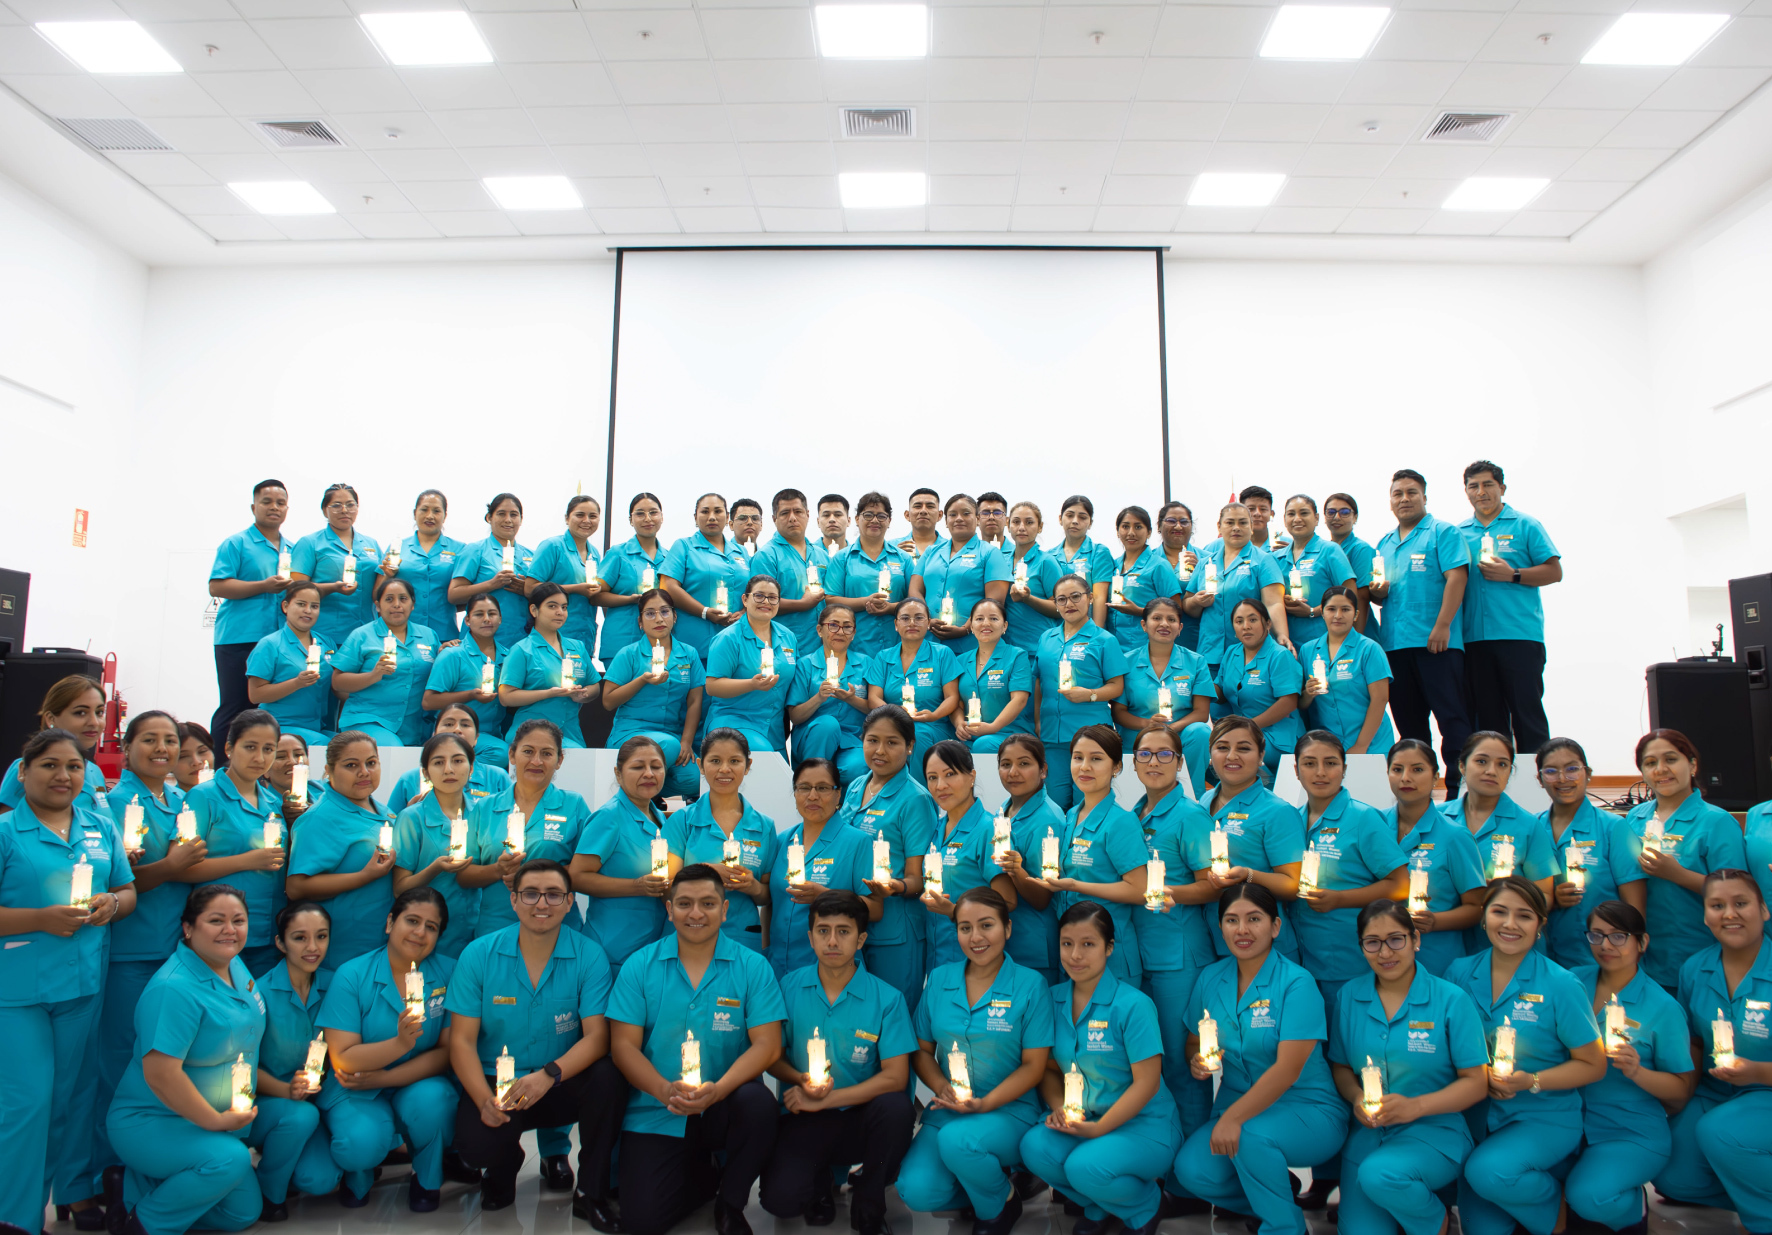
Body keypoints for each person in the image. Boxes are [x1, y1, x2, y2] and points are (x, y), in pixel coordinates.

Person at [0, 729, 134, 1232]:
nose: (63, 776)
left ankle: (75, 1191)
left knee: (75, 1095)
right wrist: (38, 919)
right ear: (23, 772)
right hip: (19, 991)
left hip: (82, 983)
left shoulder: (100, 827)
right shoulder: (8, 833)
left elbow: (126, 890)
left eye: (74, 767)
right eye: (50, 766)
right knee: (29, 1102)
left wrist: (112, 905)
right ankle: (15, 1215)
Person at [607, 864, 787, 1235]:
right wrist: (662, 1089)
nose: (696, 913)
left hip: (725, 1102)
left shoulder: (753, 967)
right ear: (668, 909)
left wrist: (719, 1090)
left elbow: (768, 1046)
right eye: (685, 903)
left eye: (707, 903)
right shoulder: (639, 966)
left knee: (760, 1105)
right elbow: (623, 1046)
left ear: (724, 910)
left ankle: (731, 1201)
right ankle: (705, 1174)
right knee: (642, 1222)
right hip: (657, 1106)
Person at [447, 858, 629, 1222]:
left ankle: (589, 1192)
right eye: (530, 894)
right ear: (513, 900)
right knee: (477, 1147)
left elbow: (597, 1038)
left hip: (558, 1080)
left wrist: (549, 1074)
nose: (541, 904)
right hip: (497, 1084)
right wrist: (484, 1100)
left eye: (553, 895)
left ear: (569, 901)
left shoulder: (588, 955)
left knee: (610, 1078)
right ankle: (504, 1162)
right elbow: (461, 1042)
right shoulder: (479, 955)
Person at [1172, 882, 1348, 1235]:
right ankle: (1274, 1195)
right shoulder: (1211, 977)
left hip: (1307, 1109)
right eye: (1231, 920)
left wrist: (1233, 1119)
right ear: (1220, 926)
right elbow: (1194, 1042)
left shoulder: (1297, 983)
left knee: (1249, 1136)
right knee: (1192, 1170)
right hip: (1238, 1104)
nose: (1242, 930)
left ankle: (1284, 1226)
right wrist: (1197, 1062)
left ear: (1275, 926)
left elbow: (1287, 1070)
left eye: (1254, 919)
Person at [1444, 877, 1606, 1235]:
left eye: (1524, 916)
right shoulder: (1458, 973)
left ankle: (1558, 1212)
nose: (1510, 924)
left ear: (1540, 926)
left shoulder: (1561, 984)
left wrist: (1531, 1081)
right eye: (1499, 912)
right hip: (1478, 1118)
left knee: (1487, 1172)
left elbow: (1594, 1064)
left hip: (1542, 1117)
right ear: (1483, 918)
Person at [1326, 900, 1488, 1235]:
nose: (1385, 952)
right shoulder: (1349, 997)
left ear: (1415, 939)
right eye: (1372, 942)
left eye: (1396, 939)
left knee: (1380, 1176)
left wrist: (1416, 1106)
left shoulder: (1451, 999)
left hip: (1435, 1132)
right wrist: (1357, 1097)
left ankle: (1435, 1221)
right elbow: (1341, 1067)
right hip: (1370, 1135)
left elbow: (1476, 1083)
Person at [104, 887, 259, 1235]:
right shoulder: (172, 989)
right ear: (188, 928)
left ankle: (131, 1187)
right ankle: (142, 1223)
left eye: (238, 921)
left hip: (202, 1120)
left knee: (243, 1213)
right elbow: (161, 1075)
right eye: (215, 921)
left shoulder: (233, 963)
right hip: (152, 1120)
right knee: (229, 1160)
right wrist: (218, 1122)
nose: (230, 930)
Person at [898, 888, 1053, 1235]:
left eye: (986, 925)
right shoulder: (939, 980)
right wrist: (942, 1087)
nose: (976, 937)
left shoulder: (1031, 985)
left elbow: (1034, 1066)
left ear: (1008, 929)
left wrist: (984, 1104)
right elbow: (921, 1051)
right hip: (949, 1107)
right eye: (965, 928)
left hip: (1009, 1110)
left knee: (960, 1143)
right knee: (916, 1190)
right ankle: (984, 1179)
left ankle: (999, 1204)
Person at [760, 890, 915, 1235]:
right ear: (810, 937)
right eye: (823, 930)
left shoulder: (887, 999)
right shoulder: (788, 986)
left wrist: (829, 1099)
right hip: (804, 1114)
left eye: (843, 931)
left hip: (860, 1116)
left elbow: (895, 1077)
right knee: (780, 1201)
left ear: (861, 939)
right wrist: (799, 1078)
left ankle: (870, 1200)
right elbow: (772, 1058)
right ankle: (820, 1182)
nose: (832, 941)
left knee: (897, 1109)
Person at [1021, 902, 1179, 1235]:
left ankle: (1146, 1205)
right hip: (1086, 1118)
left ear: (1109, 948)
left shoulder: (1133, 1005)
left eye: (1088, 944)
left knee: (1083, 1166)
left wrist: (1101, 1128)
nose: (1075, 955)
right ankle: (1100, 1207)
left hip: (1143, 1126)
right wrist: (1059, 1107)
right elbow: (1048, 1069)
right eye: (1067, 944)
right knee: (1034, 1147)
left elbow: (1147, 1084)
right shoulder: (1050, 1000)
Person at [97, 713, 207, 1187]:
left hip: (175, 954)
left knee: (166, 1064)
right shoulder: (112, 804)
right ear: (126, 746)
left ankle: (151, 1165)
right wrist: (170, 865)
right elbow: (112, 886)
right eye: (149, 739)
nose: (161, 748)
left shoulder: (181, 801)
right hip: (131, 951)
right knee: (120, 1064)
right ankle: (106, 1172)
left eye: (169, 740)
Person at [315, 887, 460, 1210]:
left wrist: (383, 1077)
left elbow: (447, 1052)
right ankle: (362, 1170)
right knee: (359, 1144)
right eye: (412, 920)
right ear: (389, 923)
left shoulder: (449, 973)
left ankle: (426, 1178)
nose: (420, 932)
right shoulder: (352, 975)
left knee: (436, 1102)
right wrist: (399, 1043)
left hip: (416, 1080)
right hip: (356, 1086)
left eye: (431, 927)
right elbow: (344, 1057)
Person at [1564, 900, 1696, 1233]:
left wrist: (1638, 1071)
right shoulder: (1571, 984)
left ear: (1642, 942)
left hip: (1629, 1131)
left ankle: (1632, 1210)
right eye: (1597, 935)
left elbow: (1680, 1091)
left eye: (1618, 936)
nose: (1606, 945)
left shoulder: (1663, 1008)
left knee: (1588, 1195)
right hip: (1565, 1121)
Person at [1655, 870, 1772, 1224]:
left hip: (1765, 1088)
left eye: (1741, 903)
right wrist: (1678, 1090)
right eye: (1717, 905)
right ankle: (1752, 1192)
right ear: (1705, 916)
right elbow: (1693, 1040)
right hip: (1715, 1089)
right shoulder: (1694, 969)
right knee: (1669, 1173)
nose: (1729, 914)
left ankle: (1762, 1220)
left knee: (1719, 1132)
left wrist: (1756, 1071)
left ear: (1764, 910)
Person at [1127, 725, 1216, 1145]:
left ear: (1181, 762)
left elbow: (1212, 883)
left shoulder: (1191, 815)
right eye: (1145, 754)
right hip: (1143, 952)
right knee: (1151, 1065)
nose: (1154, 762)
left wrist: (1167, 892)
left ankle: (1191, 1176)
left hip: (1180, 956)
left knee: (1184, 1067)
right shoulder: (1133, 814)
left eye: (1165, 755)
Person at [1370, 470, 1473, 794]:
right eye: (1397, 493)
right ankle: (1419, 792)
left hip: (1437, 643)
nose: (1404, 499)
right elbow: (1379, 593)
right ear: (1390, 502)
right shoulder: (1384, 543)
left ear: (1424, 497)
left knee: (1452, 719)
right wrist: (1377, 591)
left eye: (1411, 492)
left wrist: (1442, 626)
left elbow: (1457, 579)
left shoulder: (1443, 533)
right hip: (1396, 646)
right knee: (1410, 726)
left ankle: (1459, 791)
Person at [1290, 730, 1408, 1011]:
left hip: (1347, 957)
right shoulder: (1291, 819)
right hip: (1300, 957)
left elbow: (1401, 884)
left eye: (1331, 763)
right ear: (1296, 770)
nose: (1320, 772)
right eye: (1309, 763)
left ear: (1344, 769)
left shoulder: (1363, 818)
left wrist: (1340, 899)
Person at [1623, 728, 1747, 990]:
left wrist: (1676, 873)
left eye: (1671, 759)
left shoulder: (1716, 821)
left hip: (1699, 954)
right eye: (1650, 763)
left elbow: (1738, 895)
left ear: (1692, 765)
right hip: (1644, 955)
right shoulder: (1634, 818)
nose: (1661, 769)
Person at [1459, 461, 1562, 754]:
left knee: (1527, 716)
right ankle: (1495, 791)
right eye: (1474, 486)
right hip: (1474, 641)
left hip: (1519, 637)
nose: (1481, 492)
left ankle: (1534, 792)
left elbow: (1554, 572)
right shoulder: (1459, 533)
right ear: (1466, 492)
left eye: (1488, 485)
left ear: (1501, 488)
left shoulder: (1526, 525)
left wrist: (1514, 574)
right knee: (1488, 723)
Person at [250, 902, 344, 1218]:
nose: (313, 947)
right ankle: (268, 1193)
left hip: (319, 1100)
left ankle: (290, 1159)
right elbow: (243, 1067)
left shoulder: (339, 985)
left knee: (318, 1180)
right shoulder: (258, 994)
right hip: (270, 1103)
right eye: (300, 938)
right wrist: (284, 1089)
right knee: (300, 1117)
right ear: (280, 943)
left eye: (321, 936)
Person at [838, 706, 937, 1002]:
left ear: (910, 747)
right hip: (854, 924)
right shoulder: (857, 785)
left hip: (896, 931)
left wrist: (896, 886)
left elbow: (920, 879)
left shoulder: (916, 799)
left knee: (895, 1019)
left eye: (892, 742)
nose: (880, 751)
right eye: (872, 740)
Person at [464, 718, 591, 944]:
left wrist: (534, 880)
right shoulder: (484, 808)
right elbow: (464, 875)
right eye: (528, 751)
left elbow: (587, 871)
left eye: (547, 753)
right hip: (495, 928)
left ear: (560, 760)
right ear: (512, 755)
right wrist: (497, 869)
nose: (536, 761)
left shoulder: (574, 805)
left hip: (557, 927)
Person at [183, 710, 288, 975]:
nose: (260, 758)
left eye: (268, 749)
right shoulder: (204, 796)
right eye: (250, 747)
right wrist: (247, 860)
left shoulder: (273, 802)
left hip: (268, 933)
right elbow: (183, 867)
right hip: (219, 932)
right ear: (229, 748)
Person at [1042, 726, 1148, 986]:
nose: (1084, 767)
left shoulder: (1120, 821)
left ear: (1116, 767)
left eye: (1096, 758)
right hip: (1072, 949)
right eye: (1078, 757)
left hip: (1110, 950)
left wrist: (1075, 886)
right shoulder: (1070, 816)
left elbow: (1139, 890)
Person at [284, 732, 396, 971]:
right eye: (351, 765)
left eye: (371, 763)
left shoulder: (384, 811)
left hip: (382, 944)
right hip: (345, 950)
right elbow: (296, 888)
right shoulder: (319, 818)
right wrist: (363, 877)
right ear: (329, 770)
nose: (364, 772)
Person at [1198, 717, 1305, 961]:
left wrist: (1247, 875)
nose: (1232, 756)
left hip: (1263, 943)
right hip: (1213, 937)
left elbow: (1293, 885)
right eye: (1222, 747)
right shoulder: (1203, 802)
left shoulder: (1277, 811)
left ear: (1261, 755)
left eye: (1244, 748)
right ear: (1211, 753)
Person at [666, 729, 778, 952]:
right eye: (715, 761)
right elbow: (666, 886)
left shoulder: (764, 826)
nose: (724, 769)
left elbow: (767, 895)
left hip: (743, 937)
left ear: (747, 766)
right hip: (689, 933)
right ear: (700, 765)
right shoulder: (683, 821)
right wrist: (706, 871)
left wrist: (753, 886)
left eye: (735, 761)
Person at [1444, 732, 1555, 951]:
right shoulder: (1439, 820)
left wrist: (1505, 895)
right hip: (1448, 941)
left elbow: (1546, 895)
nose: (1491, 771)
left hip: (1509, 945)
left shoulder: (1528, 826)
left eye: (1502, 764)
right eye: (1481, 761)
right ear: (1462, 766)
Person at [767, 759, 879, 977]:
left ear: (838, 795)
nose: (812, 796)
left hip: (831, 967)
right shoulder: (782, 840)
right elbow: (773, 903)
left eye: (823, 788)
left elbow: (876, 909)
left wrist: (826, 896)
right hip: (778, 964)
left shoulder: (857, 842)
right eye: (804, 788)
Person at [1539, 738, 1644, 969]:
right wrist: (1552, 900)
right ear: (1540, 779)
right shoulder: (1533, 828)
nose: (1563, 778)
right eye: (1551, 771)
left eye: (1572, 769)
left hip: (1603, 962)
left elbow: (1634, 910)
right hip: (1545, 962)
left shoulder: (1613, 828)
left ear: (1588, 774)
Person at [1386, 740, 1485, 976]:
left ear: (1435, 776)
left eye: (1417, 769)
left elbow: (1476, 906)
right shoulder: (1375, 826)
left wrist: (1435, 921)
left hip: (1437, 958)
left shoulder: (1455, 836)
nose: (1405, 778)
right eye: (1397, 769)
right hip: (1385, 955)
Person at [573, 736, 672, 968]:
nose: (649, 773)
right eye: (638, 767)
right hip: (612, 950)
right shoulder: (609, 817)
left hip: (650, 946)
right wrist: (636, 886)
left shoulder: (660, 818)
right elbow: (577, 877)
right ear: (618, 774)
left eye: (656, 767)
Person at [209, 480, 294, 743]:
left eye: (280, 503)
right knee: (235, 705)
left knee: (265, 710)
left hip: (276, 640)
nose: (274, 508)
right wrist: (264, 586)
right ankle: (221, 765)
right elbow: (217, 586)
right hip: (239, 638)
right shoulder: (236, 544)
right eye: (267, 502)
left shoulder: (291, 549)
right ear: (253, 506)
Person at [920, 740, 1015, 972]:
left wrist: (954, 912)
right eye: (932, 778)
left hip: (976, 956)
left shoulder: (989, 830)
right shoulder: (937, 828)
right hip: (936, 955)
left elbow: (1008, 901)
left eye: (949, 774)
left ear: (971, 776)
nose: (940, 785)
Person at [602, 589, 706, 800]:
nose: (659, 619)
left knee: (695, 780)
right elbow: (608, 701)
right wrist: (642, 680)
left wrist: (686, 742)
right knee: (667, 745)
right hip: (630, 733)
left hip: (673, 736)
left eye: (665, 612)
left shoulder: (689, 654)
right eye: (650, 613)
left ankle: (639, 790)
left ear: (674, 617)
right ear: (640, 622)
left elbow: (695, 701)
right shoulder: (629, 654)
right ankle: (634, 796)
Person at [1035, 574, 1127, 810]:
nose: (1069, 604)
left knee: (1087, 803)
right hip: (1052, 736)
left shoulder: (1104, 640)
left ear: (1091, 598)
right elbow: (1039, 684)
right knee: (1053, 805)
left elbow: (1117, 687)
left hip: (1090, 736)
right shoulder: (1046, 638)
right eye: (1062, 599)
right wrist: (1037, 721)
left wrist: (1090, 694)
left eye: (1076, 597)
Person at [391, 731, 482, 958]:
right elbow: (400, 888)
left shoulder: (484, 813)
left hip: (478, 932)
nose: (449, 769)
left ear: (471, 768)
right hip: (429, 935)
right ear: (425, 772)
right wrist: (436, 867)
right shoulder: (412, 818)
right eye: (438, 762)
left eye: (458, 761)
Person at [1112, 597, 1211, 796]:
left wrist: (1171, 729)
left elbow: (1201, 712)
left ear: (1180, 627)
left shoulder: (1196, 662)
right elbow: (1118, 712)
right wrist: (1146, 725)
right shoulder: (1126, 662)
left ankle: (1192, 796)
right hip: (1138, 736)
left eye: (1171, 620)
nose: (1164, 624)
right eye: (1157, 618)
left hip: (1180, 734)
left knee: (1201, 732)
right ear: (1144, 625)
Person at [991, 735, 1066, 987]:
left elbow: (1043, 897)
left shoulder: (1047, 820)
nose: (1013, 772)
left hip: (1034, 941)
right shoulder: (1005, 808)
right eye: (1005, 764)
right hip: (1009, 938)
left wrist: (1017, 871)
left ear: (1043, 770)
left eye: (1024, 764)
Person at [330, 577, 441, 746]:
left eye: (403, 599)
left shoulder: (429, 635)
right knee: (393, 751)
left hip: (415, 726)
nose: (397, 604)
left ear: (413, 604)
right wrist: (373, 675)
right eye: (389, 599)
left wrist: (448, 650)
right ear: (377, 605)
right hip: (369, 720)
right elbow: (337, 682)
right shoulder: (362, 635)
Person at [1183, 502, 1288, 679]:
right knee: (1212, 704)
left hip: (1250, 650)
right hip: (1210, 653)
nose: (1236, 528)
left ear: (1251, 527)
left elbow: (1274, 603)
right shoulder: (1205, 563)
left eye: (1242, 523)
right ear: (1219, 526)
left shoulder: (1263, 561)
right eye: (1230, 523)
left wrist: (1282, 635)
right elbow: (1187, 603)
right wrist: (1196, 602)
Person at [867, 598, 961, 783]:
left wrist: (933, 716)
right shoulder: (883, 657)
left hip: (932, 726)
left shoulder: (943, 654)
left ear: (928, 623)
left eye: (919, 618)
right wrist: (895, 715)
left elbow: (952, 697)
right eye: (905, 618)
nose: (912, 623)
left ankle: (922, 797)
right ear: (896, 624)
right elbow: (873, 698)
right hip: (891, 725)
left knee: (917, 735)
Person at [499, 582, 601, 748]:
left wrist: (583, 694)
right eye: (552, 606)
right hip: (532, 732)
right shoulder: (522, 650)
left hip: (570, 731)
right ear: (534, 610)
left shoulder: (577, 647)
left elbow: (594, 685)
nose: (560, 612)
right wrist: (549, 693)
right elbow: (506, 696)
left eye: (564, 607)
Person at [1298, 587, 1395, 761]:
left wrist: (1361, 746)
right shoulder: (1307, 650)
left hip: (1371, 745)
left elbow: (1380, 699)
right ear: (1323, 612)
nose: (1338, 615)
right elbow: (1302, 704)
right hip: (1329, 748)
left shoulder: (1369, 649)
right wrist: (1308, 694)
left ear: (1355, 615)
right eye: (1331, 609)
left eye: (1345, 609)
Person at [704, 575, 797, 753]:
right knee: (762, 758)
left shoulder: (788, 637)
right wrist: (751, 684)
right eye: (759, 596)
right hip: (734, 721)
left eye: (772, 597)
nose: (766, 602)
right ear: (745, 600)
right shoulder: (728, 638)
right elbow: (712, 686)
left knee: (779, 779)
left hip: (774, 727)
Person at [1213, 599, 1304, 781]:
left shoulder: (1279, 655)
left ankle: (1261, 786)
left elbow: (1288, 702)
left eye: (1253, 620)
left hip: (1277, 736)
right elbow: (1220, 693)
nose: (1246, 626)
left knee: (1229, 756)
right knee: (1206, 751)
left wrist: (1247, 728)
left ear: (1267, 623)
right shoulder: (1232, 652)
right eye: (1239, 621)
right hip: (1242, 735)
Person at [912, 493, 1012, 657]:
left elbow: (994, 601)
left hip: (972, 643)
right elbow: (915, 591)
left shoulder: (990, 553)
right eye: (952, 514)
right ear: (945, 521)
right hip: (929, 639)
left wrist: (966, 628)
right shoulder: (931, 551)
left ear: (978, 519)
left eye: (966, 513)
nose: (959, 518)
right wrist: (927, 620)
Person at [422, 593, 511, 769]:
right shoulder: (454, 654)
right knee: (499, 753)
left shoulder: (507, 656)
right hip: (456, 731)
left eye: (492, 614)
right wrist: (471, 695)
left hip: (492, 734)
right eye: (479, 614)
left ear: (500, 619)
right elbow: (428, 701)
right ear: (467, 620)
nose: (486, 619)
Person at [290, 483, 383, 648]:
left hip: (367, 632)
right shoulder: (310, 543)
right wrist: (332, 587)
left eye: (350, 505)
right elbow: (295, 590)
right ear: (324, 510)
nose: (344, 510)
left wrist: (388, 573)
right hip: (327, 632)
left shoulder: (371, 544)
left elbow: (380, 589)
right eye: (337, 505)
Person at [787, 605, 872, 786]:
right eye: (833, 625)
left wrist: (852, 699)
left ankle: (843, 809)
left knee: (857, 768)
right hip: (814, 736)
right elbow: (795, 716)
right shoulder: (806, 665)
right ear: (820, 630)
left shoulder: (866, 664)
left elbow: (875, 709)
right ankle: (811, 786)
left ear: (854, 633)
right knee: (827, 724)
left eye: (847, 626)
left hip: (852, 738)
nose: (840, 632)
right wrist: (818, 698)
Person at [0, 674, 109, 813]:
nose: (94, 722)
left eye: (99, 712)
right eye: (81, 713)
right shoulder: (28, 769)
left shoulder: (95, 772)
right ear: (51, 719)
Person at [245, 582, 336, 748]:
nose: (308, 610)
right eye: (301, 604)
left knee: (350, 743)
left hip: (319, 727)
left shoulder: (327, 643)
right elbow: (255, 694)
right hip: (279, 726)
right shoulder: (270, 644)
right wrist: (296, 683)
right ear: (285, 606)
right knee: (323, 745)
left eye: (314, 606)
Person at [823, 490, 912, 660]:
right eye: (868, 515)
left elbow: (914, 600)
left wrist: (891, 608)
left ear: (889, 521)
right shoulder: (842, 558)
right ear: (857, 519)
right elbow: (831, 600)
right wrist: (866, 602)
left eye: (881, 516)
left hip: (897, 645)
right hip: (855, 645)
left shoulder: (903, 559)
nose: (875, 520)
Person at [661, 492, 750, 654]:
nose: (712, 517)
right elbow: (669, 587)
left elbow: (752, 590)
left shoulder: (741, 552)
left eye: (718, 511)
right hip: (695, 641)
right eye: (705, 511)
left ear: (727, 516)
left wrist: (745, 612)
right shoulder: (684, 546)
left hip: (737, 639)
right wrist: (705, 612)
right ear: (695, 517)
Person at [385, 704, 512, 813]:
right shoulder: (410, 779)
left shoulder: (497, 777)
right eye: (449, 724)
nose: (457, 729)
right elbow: (389, 828)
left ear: (476, 738)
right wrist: (409, 815)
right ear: (434, 734)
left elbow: (512, 819)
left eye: (465, 724)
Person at [447, 492, 534, 650]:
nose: (508, 520)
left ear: (521, 519)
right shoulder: (476, 550)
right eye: (501, 514)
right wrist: (491, 584)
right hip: (481, 640)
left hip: (521, 640)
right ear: (489, 518)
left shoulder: (531, 556)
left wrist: (528, 590)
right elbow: (454, 594)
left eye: (514, 515)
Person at [953, 598, 1034, 758]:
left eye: (993, 618)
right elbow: (955, 702)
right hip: (971, 735)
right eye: (979, 619)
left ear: (1005, 626)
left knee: (984, 745)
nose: (986, 624)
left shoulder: (1017, 656)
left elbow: (1019, 700)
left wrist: (992, 727)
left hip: (1010, 733)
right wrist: (958, 723)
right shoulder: (961, 660)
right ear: (972, 626)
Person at [1276, 495, 1357, 652]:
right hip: (1288, 645)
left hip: (1326, 641)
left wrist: (1313, 611)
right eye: (1291, 514)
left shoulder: (1330, 551)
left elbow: (1351, 594)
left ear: (1317, 518)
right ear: (1285, 519)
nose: (1297, 519)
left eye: (1304, 513)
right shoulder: (1275, 558)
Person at [528, 495, 605, 654]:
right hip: (554, 633)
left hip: (584, 634)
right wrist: (576, 588)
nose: (586, 520)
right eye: (580, 515)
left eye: (593, 516)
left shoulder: (595, 554)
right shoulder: (552, 546)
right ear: (566, 518)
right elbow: (530, 588)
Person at [596, 492, 667, 662]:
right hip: (621, 638)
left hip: (658, 641)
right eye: (640, 513)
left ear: (662, 517)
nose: (647, 518)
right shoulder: (618, 554)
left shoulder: (670, 558)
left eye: (653, 512)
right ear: (630, 520)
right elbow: (595, 596)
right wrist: (630, 599)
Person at [756, 488, 829, 650]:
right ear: (774, 519)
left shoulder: (822, 555)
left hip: (822, 648)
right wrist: (802, 604)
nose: (792, 518)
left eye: (798, 511)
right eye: (784, 513)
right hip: (784, 647)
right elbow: (759, 603)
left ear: (808, 515)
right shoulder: (767, 555)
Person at [1103, 506, 1182, 654]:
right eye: (1125, 526)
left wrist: (1140, 611)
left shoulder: (1158, 565)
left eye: (1138, 527)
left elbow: (1176, 609)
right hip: (1114, 648)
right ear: (1118, 531)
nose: (1131, 533)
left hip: (1146, 648)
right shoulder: (1113, 565)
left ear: (1149, 532)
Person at [392, 489, 465, 642]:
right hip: (403, 633)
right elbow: (383, 591)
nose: (430, 516)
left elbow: (466, 593)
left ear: (445, 515)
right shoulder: (397, 547)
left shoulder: (459, 550)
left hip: (445, 634)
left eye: (436, 511)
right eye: (424, 509)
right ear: (414, 513)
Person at [1004, 500, 1065, 655]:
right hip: (1007, 647)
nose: (1022, 527)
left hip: (1037, 647)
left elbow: (1061, 607)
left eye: (1029, 522)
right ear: (1007, 524)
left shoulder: (1046, 562)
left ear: (1040, 527)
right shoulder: (1001, 561)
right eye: (1016, 522)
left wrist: (1028, 599)